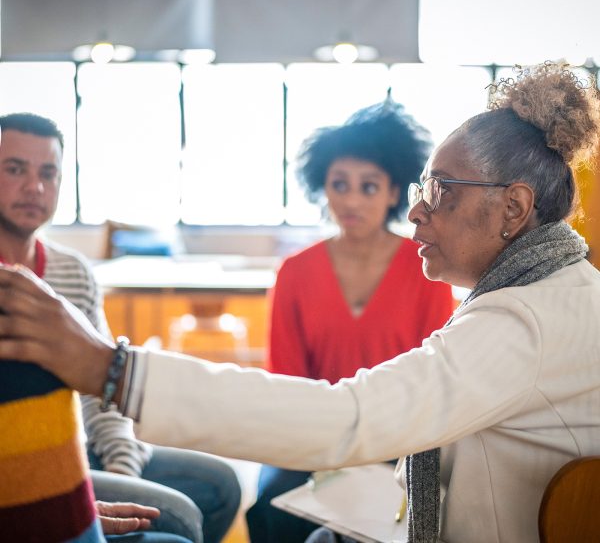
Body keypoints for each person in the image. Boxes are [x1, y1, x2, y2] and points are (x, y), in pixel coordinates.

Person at [2, 62, 600, 543]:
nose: (417, 209)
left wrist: (111, 369)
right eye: (422, 189)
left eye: (439, 191)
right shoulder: (543, 293)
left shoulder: (522, 320)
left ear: (514, 209)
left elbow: (354, 415)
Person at [0, 113, 241, 543]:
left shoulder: (72, 271)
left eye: (48, 173)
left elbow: (101, 388)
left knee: (221, 483)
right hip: (16, 464)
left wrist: (123, 469)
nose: (34, 187)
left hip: (77, 443)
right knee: (180, 518)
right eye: (15, 169)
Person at [246, 100, 454, 543]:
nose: (352, 200)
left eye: (368, 186)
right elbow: (286, 379)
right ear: (323, 188)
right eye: (340, 185)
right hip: (311, 438)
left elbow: (431, 380)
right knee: (269, 506)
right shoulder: (295, 272)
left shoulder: (428, 273)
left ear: (395, 192)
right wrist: (326, 447)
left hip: (396, 444)